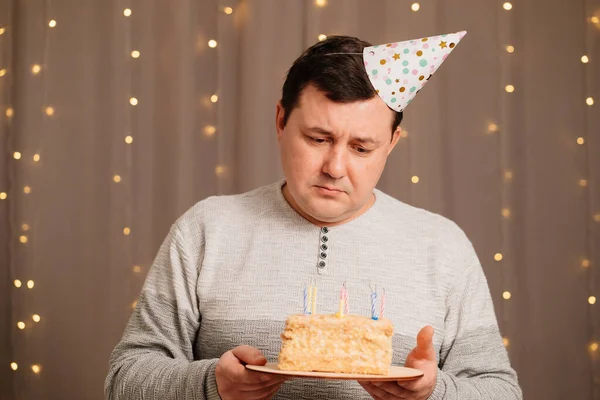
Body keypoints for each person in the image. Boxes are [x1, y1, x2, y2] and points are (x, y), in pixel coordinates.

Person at [104, 33, 523, 400]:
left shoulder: (443, 246)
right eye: (318, 138)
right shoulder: (205, 230)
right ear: (281, 121)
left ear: (392, 143)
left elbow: (501, 392)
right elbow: (125, 379)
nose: (335, 167)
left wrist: (432, 393)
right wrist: (212, 384)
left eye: (362, 148)